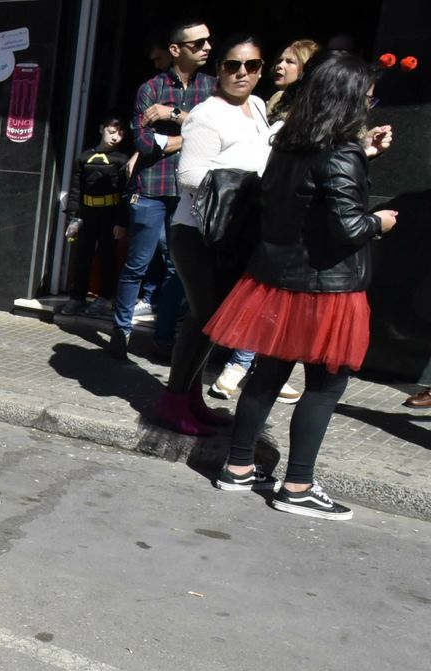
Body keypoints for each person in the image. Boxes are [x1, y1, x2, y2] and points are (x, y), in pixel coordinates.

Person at [203, 53, 395, 521]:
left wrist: (362, 152)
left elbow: (314, 186)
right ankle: (298, 485)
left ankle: (239, 466)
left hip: (276, 280)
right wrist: (380, 221)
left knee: (267, 374)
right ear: (349, 98)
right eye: (368, 93)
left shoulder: (289, 142)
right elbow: (348, 228)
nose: (372, 100)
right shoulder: (341, 153)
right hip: (327, 286)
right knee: (326, 385)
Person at [155, 36, 274, 436]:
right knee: (204, 318)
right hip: (197, 232)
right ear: (219, 69)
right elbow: (188, 174)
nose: (242, 73)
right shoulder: (208, 115)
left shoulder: (257, 107)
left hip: (233, 232)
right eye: (232, 65)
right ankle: (173, 402)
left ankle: (191, 398)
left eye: (252, 65)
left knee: (210, 319)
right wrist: (245, 186)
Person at [209, 37, 321, 403]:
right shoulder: (268, 103)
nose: (279, 66)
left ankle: (257, 365)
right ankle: (241, 365)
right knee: (264, 292)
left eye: (290, 61)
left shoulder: (307, 109)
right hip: (263, 210)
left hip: (283, 212)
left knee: (275, 296)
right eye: (279, 59)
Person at [112, 19, 216, 361]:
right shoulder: (150, 89)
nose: (206, 48)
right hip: (152, 187)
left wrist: (175, 119)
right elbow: (142, 140)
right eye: (197, 44)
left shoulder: (213, 90)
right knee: (137, 262)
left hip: (190, 190)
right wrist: (193, 133)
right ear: (176, 49)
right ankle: (121, 331)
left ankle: (164, 337)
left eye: (208, 42)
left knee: (177, 266)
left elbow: (220, 136)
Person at [60, 117, 129, 317]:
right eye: (112, 131)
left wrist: (121, 222)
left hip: (110, 214)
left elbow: (126, 193)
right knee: (83, 256)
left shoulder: (122, 160)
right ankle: (77, 297)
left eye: (120, 133)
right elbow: (76, 188)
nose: (116, 137)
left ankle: (105, 298)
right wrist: (74, 216)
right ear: (101, 128)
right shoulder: (84, 157)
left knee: (108, 257)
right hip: (88, 213)